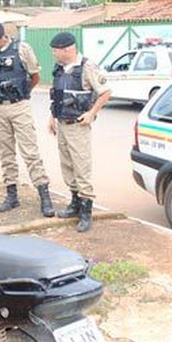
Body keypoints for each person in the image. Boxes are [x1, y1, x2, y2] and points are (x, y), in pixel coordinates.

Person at [0, 19, 54, 217]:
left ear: (3, 36)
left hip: (19, 106)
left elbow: (35, 77)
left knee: (30, 152)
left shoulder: (22, 49)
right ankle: (12, 195)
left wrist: (22, 94)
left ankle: (44, 196)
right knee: (5, 153)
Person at [48, 32, 111, 233]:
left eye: (55, 51)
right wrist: (52, 116)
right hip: (62, 123)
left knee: (81, 167)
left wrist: (91, 114)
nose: (53, 54)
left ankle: (86, 212)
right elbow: (56, 94)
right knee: (67, 166)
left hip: (78, 126)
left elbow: (106, 92)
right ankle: (74, 203)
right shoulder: (59, 68)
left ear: (67, 49)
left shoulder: (87, 67)